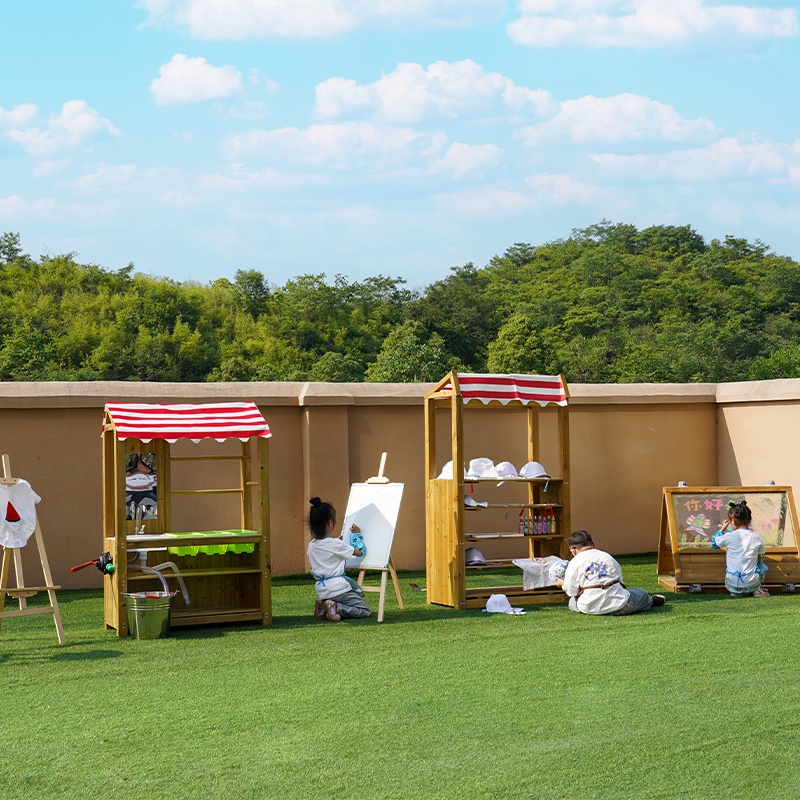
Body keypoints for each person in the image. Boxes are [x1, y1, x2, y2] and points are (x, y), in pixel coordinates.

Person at [554, 530, 666, 615]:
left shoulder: (574, 562)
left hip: (589, 607)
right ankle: (650, 601)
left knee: (572, 602)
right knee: (640, 593)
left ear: (573, 550)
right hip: (619, 604)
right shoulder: (607, 556)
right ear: (592, 544)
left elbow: (571, 591)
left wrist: (562, 584)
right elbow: (621, 585)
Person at [307, 497, 372, 622]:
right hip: (338, 588)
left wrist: (337, 543)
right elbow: (360, 552)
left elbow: (327, 553)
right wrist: (356, 535)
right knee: (365, 611)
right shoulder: (335, 544)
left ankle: (323, 608)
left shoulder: (312, 545)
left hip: (322, 590)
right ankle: (337, 607)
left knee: (336, 599)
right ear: (330, 523)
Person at [711, 500, 769, 597]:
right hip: (752, 582)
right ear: (750, 520)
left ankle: (735, 592)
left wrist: (722, 529)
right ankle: (756, 590)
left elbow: (714, 544)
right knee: (760, 563)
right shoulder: (756, 537)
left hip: (732, 583)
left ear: (732, 520)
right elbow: (760, 557)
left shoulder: (728, 536)